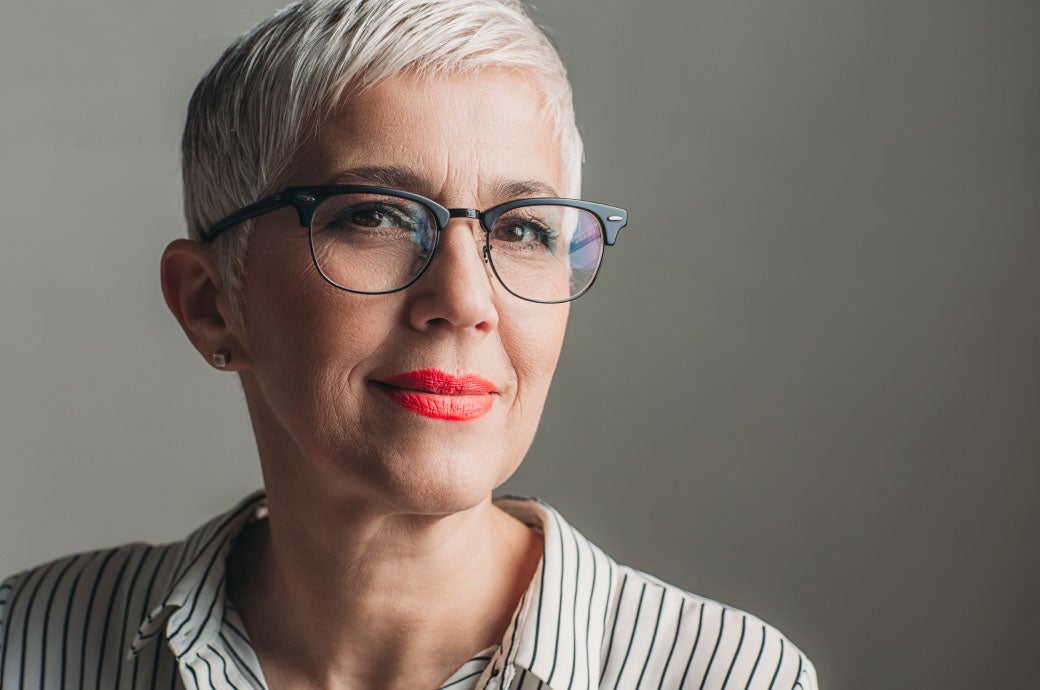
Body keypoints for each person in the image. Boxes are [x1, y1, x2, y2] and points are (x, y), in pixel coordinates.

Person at [0, 1, 819, 688]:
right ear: (212, 304)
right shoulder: (23, 648)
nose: (465, 302)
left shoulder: (730, 676)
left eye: (525, 229)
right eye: (375, 216)